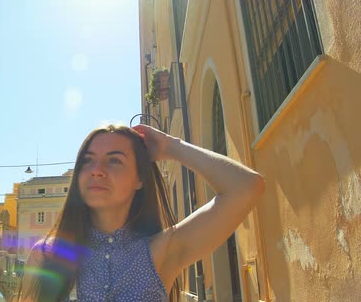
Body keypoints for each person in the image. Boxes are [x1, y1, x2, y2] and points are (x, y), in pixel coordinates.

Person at [18, 124, 265, 302]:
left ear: (140, 179)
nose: (97, 170)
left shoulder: (160, 250)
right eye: (88, 160)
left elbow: (246, 187)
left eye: (114, 160)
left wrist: (171, 146)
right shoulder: (47, 254)